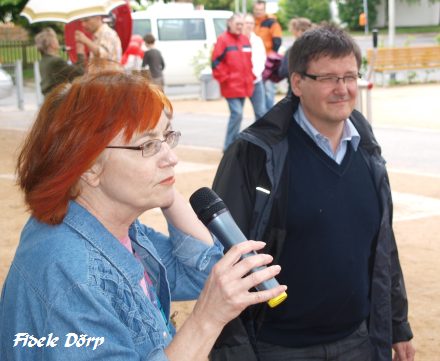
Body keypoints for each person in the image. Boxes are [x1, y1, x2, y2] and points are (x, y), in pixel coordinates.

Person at [0, 69, 286, 360]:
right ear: (88, 166)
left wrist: (166, 190)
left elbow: (199, 274)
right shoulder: (71, 274)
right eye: (148, 145)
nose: (171, 157)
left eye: (166, 137)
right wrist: (207, 320)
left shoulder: (119, 229)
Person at [210, 24, 415, 361]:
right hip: (278, 347)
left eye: (350, 77)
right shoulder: (255, 155)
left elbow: (382, 245)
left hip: (357, 342)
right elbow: (223, 257)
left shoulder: (366, 149)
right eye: (329, 78)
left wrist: (397, 323)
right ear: (297, 83)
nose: (343, 89)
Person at [211, 14, 255, 151]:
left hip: (244, 84)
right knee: (237, 114)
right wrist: (226, 78)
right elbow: (215, 62)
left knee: (238, 115)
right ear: (229, 23)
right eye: (238, 24)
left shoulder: (245, 40)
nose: (240, 27)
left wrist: (251, 77)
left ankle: (232, 145)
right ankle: (228, 146)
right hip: (230, 85)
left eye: (242, 24)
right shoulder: (223, 40)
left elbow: (248, 62)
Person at [35, 27, 85, 96]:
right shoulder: (56, 61)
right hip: (59, 100)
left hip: (48, 98)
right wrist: (80, 53)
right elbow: (80, 72)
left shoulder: (44, 60)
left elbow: (71, 70)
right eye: (56, 39)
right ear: (52, 44)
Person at [253, 0, 283, 110]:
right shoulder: (252, 22)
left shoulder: (272, 23)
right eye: (256, 10)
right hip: (255, 61)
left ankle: (270, 115)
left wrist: (271, 58)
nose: (258, 12)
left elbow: (277, 41)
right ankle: (262, 115)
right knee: (259, 89)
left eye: (260, 10)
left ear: (264, 10)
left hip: (268, 61)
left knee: (269, 90)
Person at [278, 17, 313, 95]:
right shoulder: (318, 49)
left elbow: (283, 72)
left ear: (296, 32)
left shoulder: (291, 51)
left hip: (295, 91)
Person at [243, 13, 267, 121]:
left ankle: (260, 138)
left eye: (251, 23)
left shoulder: (257, 41)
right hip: (240, 82)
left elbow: (261, 60)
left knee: (261, 112)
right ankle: (233, 138)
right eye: (247, 23)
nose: (249, 25)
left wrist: (253, 75)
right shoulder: (237, 40)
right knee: (237, 114)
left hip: (256, 81)